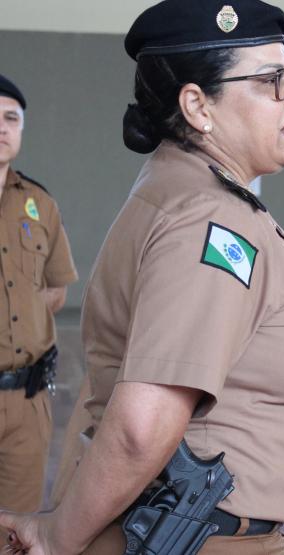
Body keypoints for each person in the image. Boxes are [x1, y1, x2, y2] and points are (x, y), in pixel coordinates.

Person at [0, 1, 284, 552]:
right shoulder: (210, 222)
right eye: (271, 80)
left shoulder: (188, 193)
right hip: (200, 537)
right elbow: (144, 426)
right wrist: (57, 539)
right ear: (197, 106)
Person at [0, 73, 78, 516]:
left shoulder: (40, 204)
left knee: (16, 531)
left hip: (26, 402)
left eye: (11, 118)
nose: (2, 128)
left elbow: (56, 289)